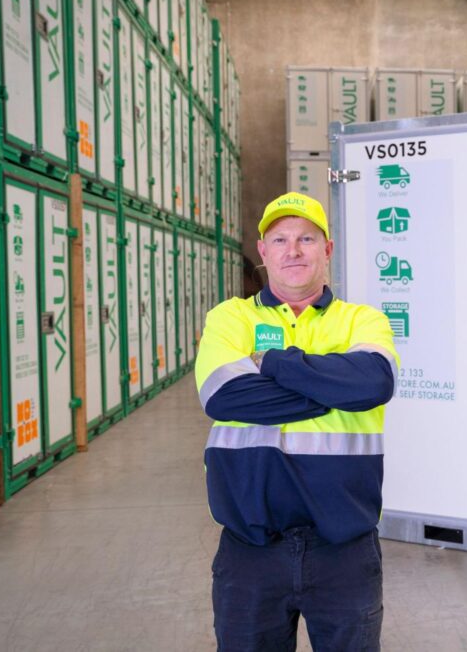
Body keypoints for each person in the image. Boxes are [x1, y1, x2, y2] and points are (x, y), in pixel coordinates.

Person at [195, 192, 399, 651]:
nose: (293, 250)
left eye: (307, 238)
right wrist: (331, 387)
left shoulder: (362, 320)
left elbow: (371, 383)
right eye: (280, 239)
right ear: (262, 251)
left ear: (327, 250)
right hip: (250, 549)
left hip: (344, 549)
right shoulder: (230, 317)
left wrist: (269, 361)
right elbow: (223, 395)